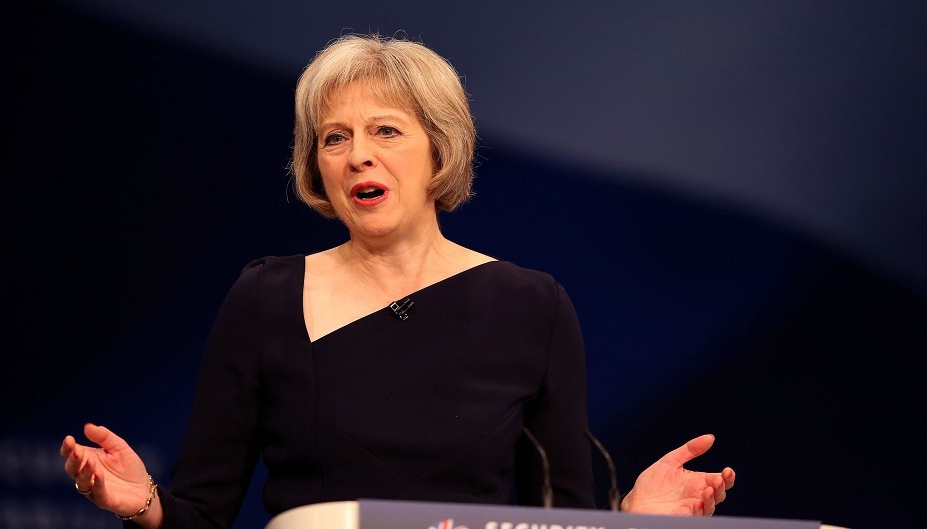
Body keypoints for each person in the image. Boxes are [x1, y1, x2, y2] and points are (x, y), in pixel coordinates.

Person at [60, 33, 735, 528]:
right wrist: (142, 502)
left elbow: (560, 518)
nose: (358, 156)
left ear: (440, 149)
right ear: (315, 165)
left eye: (385, 130)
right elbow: (203, 514)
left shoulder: (531, 306)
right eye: (334, 138)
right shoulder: (265, 298)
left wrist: (634, 518)